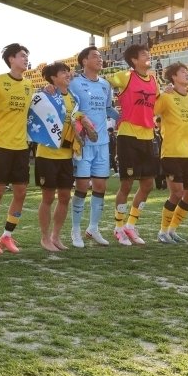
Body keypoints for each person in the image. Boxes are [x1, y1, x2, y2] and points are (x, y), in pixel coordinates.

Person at [0, 43, 33, 254]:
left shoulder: (29, 85)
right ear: (11, 59)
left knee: (20, 192)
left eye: (27, 56)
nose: (26, 59)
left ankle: (7, 235)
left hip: (20, 146)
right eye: (22, 55)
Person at [108, 44, 160, 245]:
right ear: (134, 60)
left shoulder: (154, 80)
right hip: (128, 136)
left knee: (147, 184)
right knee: (127, 184)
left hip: (148, 136)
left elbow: (159, 102)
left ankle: (130, 224)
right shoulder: (125, 76)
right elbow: (103, 84)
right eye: (144, 55)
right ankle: (118, 227)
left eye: (148, 53)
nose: (148, 56)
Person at [67, 46, 113, 247]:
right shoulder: (75, 83)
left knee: (101, 186)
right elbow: (66, 103)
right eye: (95, 56)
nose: (100, 59)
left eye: (101, 57)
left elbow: (109, 109)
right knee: (82, 186)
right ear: (84, 61)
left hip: (102, 143)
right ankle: (75, 229)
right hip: (84, 143)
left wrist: (125, 117)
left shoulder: (105, 85)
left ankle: (93, 228)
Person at [33, 62, 77, 252]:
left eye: (68, 71)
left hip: (66, 155)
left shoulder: (74, 98)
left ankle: (56, 236)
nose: (67, 74)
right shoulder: (46, 95)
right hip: (47, 155)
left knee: (65, 197)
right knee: (48, 197)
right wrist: (43, 90)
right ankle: (45, 237)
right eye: (63, 72)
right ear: (53, 78)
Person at [153, 63, 188, 243]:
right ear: (173, 77)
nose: (187, 75)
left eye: (187, 72)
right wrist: (161, 92)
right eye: (183, 72)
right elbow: (152, 111)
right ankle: (163, 232)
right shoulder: (166, 97)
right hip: (171, 152)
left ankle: (172, 230)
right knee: (177, 193)